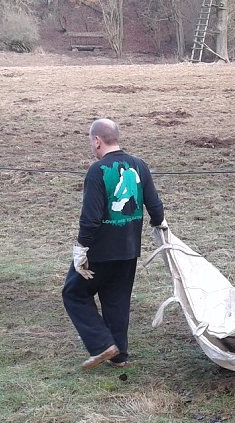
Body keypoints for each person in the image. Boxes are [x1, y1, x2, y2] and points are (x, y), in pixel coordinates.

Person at [62, 118, 166, 370]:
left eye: (91, 142)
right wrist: (159, 224)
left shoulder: (97, 171)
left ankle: (101, 345)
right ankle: (119, 356)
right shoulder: (139, 165)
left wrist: (81, 248)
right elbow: (155, 206)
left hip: (99, 252)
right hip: (129, 249)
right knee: (116, 300)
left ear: (97, 141)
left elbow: (91, 218)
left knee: (74, 293)